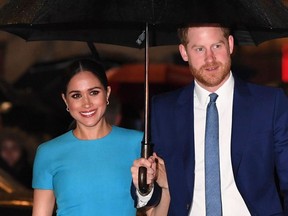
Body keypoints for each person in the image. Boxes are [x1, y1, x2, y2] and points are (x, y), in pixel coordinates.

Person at [131, 23, 288, 215]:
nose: (210, 58)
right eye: (199, 49)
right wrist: (144, 185)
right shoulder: (164, 109)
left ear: (230, 45)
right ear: (184, 52)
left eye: (217, 46)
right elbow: (155, 191)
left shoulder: (269, 103)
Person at [32, 58, 143, 216]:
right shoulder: (48, 152)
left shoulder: (137, 143)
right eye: (76, 95)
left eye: (94, 92)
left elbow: (154, 211)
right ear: (66, 100)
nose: (86, 104)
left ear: (108, 93)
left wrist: (165, 187)